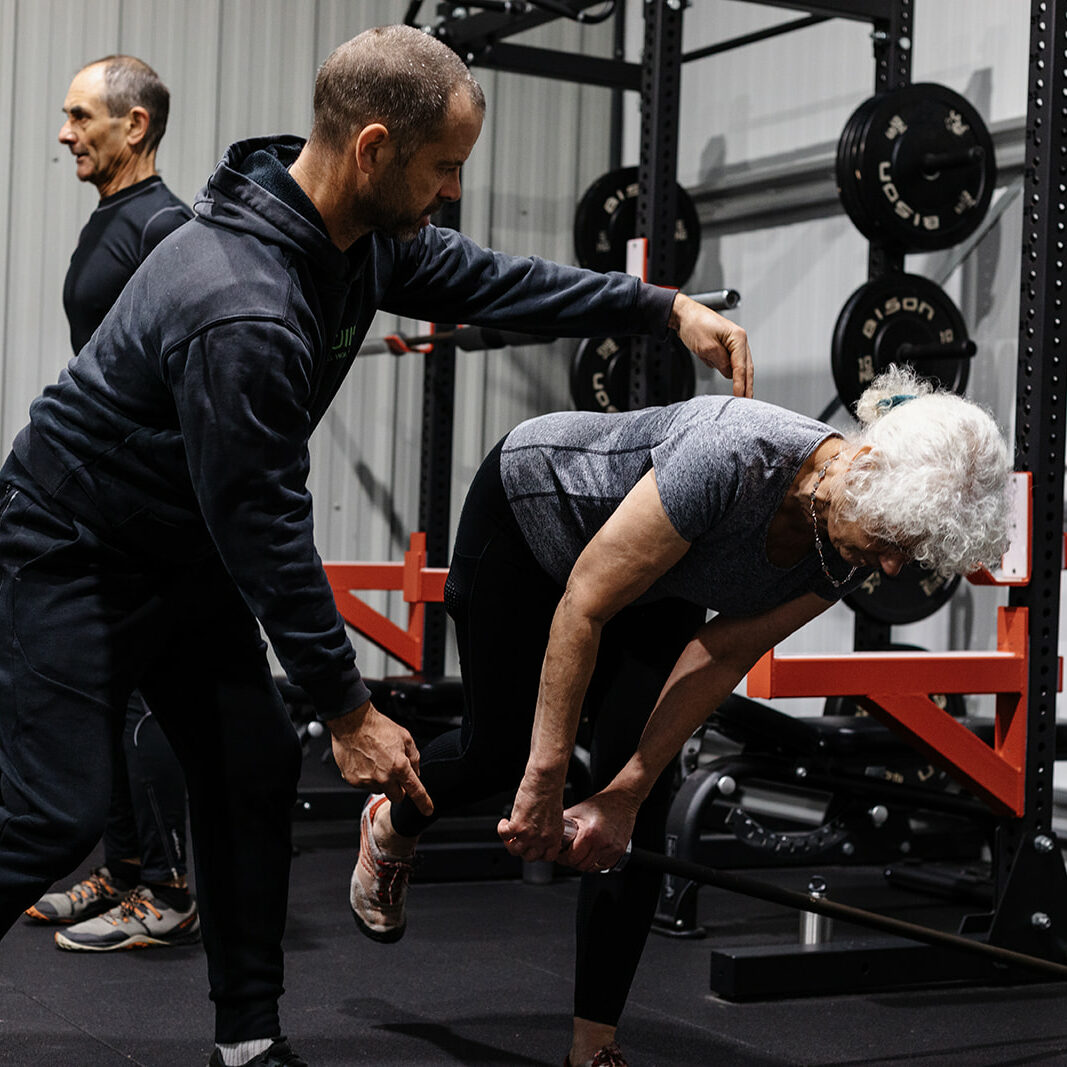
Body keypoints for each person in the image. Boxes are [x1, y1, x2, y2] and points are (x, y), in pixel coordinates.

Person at [0, 24, 751, 1067]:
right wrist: (347, 709)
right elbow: (265, 524)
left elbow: (492, 281)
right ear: (372, 149)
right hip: (73, 541)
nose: (452, 190)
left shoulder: (348, 239)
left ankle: (248, 1042)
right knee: (51, 813)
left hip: (181, 543)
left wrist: (659, 308)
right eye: (443, 166)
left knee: (250, 762)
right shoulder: (244, 304)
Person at [350, 364, 1012, 1067]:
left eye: (907, 550)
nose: (890, 562)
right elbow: (584, 606)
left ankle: (592, 1045)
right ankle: (391, 823)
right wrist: (544, 779)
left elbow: (724, 651)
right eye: (892, 537)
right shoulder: (731, 455)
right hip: (530, 523)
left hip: (658, 583)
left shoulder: (847, 548)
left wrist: (625, 790)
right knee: (499, 754)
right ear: (865, 466)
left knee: (633, 809)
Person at [22, 55, 199, 953]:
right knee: (108, 687)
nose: (65, 133)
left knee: (140, 696)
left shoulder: (165, 228)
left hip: (150, 505)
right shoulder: (114, 220)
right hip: (104, 494)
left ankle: (167, 889)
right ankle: (124, 869)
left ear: (135, 125)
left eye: (80, 116)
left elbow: (189, 370)